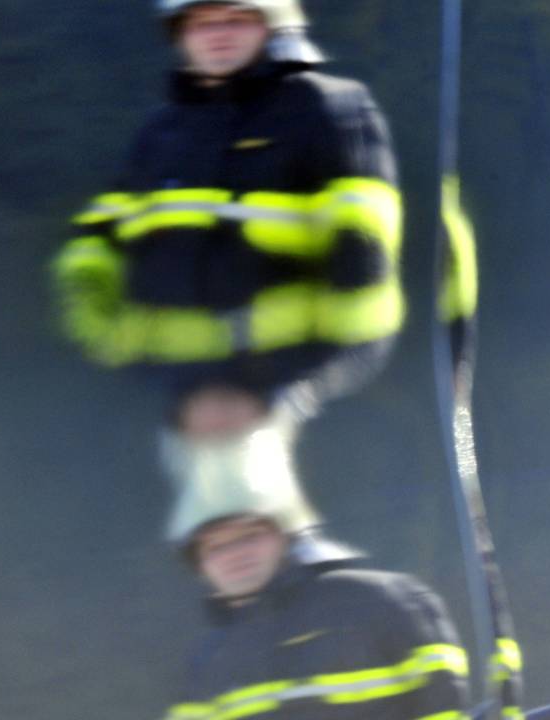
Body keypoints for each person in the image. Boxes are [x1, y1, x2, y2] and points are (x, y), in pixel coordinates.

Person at [53, 0, 403, 436]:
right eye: (201, 23)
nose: (218, 34)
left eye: (237, 19)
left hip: (304, 414)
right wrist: (116, 348)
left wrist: (297, 393)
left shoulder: (328, 110)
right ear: (179, 34)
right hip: (181, 412)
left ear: (271, 25)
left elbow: (364, 279)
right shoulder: (160, 132)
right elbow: (96, 243)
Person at [158, 423, 469, 720]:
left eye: (250, 536)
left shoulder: (383, 603)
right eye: (215, 547)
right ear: (199, 565)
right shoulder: (207, 665)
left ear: (286, 535)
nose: (234, 555)